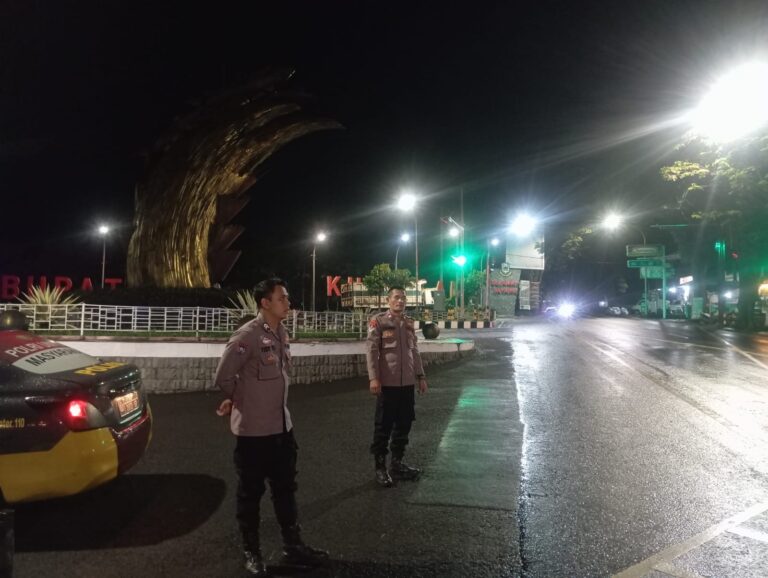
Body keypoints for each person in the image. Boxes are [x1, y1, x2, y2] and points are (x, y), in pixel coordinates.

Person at [215, 278, 329, 577]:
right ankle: (252, 552)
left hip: (281, 427)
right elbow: (223, 376)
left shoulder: (281, 332)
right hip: (253, 432)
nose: (288, 303)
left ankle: (293, 546)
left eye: (287, 298)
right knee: (250, 495)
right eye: (282, 298)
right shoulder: (248, 335)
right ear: (265, 303)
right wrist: (240, 400)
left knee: (285, 490)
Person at [366, 286, 428, 488]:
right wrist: (374, 378)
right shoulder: (379, 322)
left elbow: (414, 351)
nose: (400, 301)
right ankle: (380, 467)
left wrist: (420, 376)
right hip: (388, 384)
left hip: (407, 383)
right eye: (396, 297)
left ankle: (397, 464)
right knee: (383, 426)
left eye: (403, 298)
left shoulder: (408, 324)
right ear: (388, 300)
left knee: (404, 424)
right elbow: (371, 351)